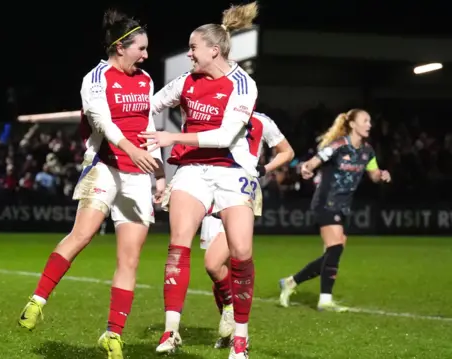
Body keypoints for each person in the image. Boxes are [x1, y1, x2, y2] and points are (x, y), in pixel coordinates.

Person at [18, 9, 165, 359]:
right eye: (140, 49)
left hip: (138, 175)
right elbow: (103, 124)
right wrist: (130, 149)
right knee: (82, 235)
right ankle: (37, 300)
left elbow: (148, 127)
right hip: (105, 167)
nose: (145, 56)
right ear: (119, 47)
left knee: (129, 258)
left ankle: (113, 334)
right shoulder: (95, 78)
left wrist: (159, 174)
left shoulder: (145, 80)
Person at [140, 3, 259, 358]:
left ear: (214, 50)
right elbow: (150, 104)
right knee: (178, 244)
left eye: (193, 48)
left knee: (241, 252)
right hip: (191, 169)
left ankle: (241, 335)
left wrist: (170, 139)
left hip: (231, 170)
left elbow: (224, 137)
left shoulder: (243, 84)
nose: (189, 54)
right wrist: (136, 124)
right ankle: (170, 331)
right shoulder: (185, 82)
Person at [278, 108, 391, 312]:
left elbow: (373, 174)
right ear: (353, 124)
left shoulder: (368, 151)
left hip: (344, 207)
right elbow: (316, 159)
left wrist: (381, 175)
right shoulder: (339, 146)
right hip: (325, 203)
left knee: (332, 254)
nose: (369, 125)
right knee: (335, 247)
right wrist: (307, 167)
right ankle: (325, 300)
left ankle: (291, 282)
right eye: (365, 120)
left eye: (370, 121)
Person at [200, 112, 294, 349]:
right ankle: (231, 330)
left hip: (239, 193)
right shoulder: (214, 112)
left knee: (218, 263)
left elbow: (287, 151)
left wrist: (264, 169)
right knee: (219, 270)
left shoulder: (262, 120)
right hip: (211, 192)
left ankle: (238, 330)